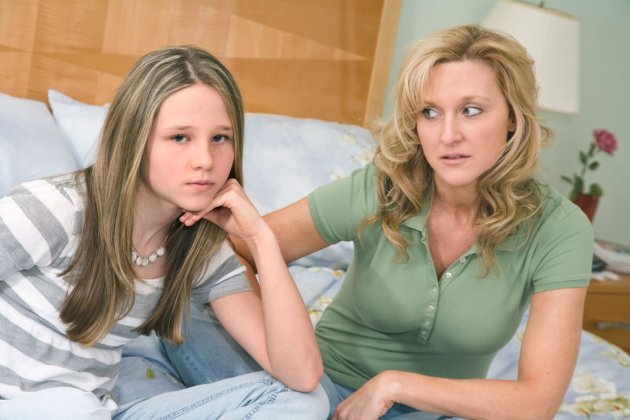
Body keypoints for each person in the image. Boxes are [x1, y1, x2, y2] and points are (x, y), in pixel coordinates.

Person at [174, 25, 594, 419]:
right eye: (430, 112)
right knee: (184, 298)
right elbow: (238, 252)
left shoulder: (559, 229)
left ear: (513, 118)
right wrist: (280, 350)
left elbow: (538, 400)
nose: (448, 135)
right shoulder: (382, 188)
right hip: (312, 389)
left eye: (471, 111)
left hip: (432, 411)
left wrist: (395, 385)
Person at [0, 45, 328, 419]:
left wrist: (261, 239)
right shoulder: (55, 209)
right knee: (71, 407)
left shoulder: (199, 247)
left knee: (307, 400)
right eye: (180, 137)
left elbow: (302, 375)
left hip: (94, 411)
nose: (205, 160)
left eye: (220, 138)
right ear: (134, 139)